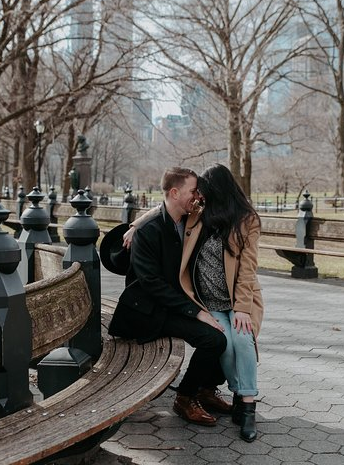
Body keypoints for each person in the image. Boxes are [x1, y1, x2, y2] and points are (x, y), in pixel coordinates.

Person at [124, 164, 264, 442]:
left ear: (215, 190)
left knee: (243, 340)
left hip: (239, 301)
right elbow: (166, 204)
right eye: (196, 191)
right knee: (222, 340)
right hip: (205, 300)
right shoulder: (199, 214)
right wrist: (135, 225)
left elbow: (248, 269)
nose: (198, 195)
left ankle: (247, 406)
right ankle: (229, 394)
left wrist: (243, 309)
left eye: (202, 190)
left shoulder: (247, 220)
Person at [108, 167, 232, 427]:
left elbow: (165, 207)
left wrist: (135, 221)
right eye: (192, 191)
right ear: (175, 193)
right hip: (147, 311)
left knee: (224, 334)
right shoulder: (148, 232)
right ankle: (185, 398)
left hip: (172, 305)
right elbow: (151, 284)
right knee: (214, 339)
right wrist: (196, 312)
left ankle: (206, 390)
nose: (197, 197)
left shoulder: (187, 221)